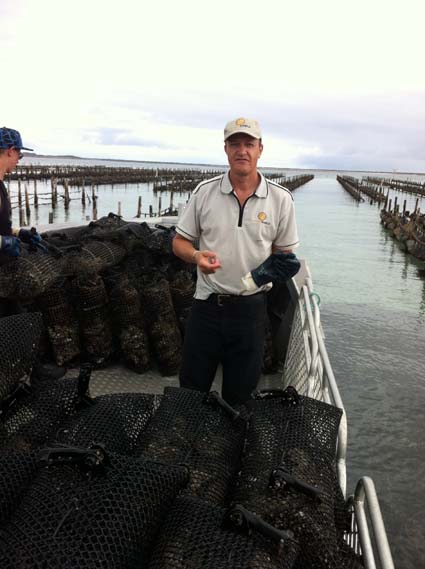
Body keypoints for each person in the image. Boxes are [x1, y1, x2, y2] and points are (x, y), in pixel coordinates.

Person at [172, 117, 300, 406]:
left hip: (251, 312)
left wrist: (262, 274)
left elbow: (285, 258)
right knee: (190, 391)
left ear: (260, 149)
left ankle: (229, 447)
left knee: (240, 397)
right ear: (226, 149)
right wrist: (195, 255)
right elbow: (179, 242)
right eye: (235, 144)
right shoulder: (204, 192)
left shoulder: (281, 200)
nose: (242, 150)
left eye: (249, 144)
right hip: (206, 307)